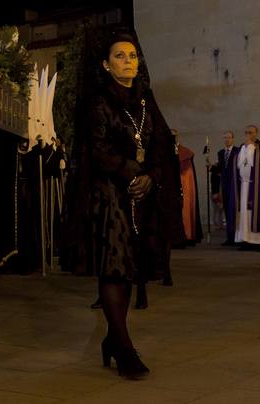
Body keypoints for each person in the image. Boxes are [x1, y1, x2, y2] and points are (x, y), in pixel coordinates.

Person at [77, 30, 178, 380]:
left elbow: (162, 145)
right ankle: (123, 347)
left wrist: (150, 175)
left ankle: (110, 337)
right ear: (106, 64)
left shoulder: (146, 100)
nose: (128, 61)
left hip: (142, 197)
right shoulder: (98, 101)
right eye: (120, 56)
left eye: (133, 56)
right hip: (109, 196)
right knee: (114, 267)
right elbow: (96, 147)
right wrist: (131, 172)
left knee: (132, 268)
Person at [222, 125, 260, 251]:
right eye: (246, 132)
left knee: (255, 213)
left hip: (257, 187)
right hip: (243, 186)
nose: (249, 134)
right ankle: (245, 240)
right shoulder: (241, 147)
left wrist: (251, 148)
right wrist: (246, 148)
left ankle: (257, 242)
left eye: (251, 132)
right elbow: (237, 165)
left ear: (256, 133)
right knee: (243, 214)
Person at [213, 130, 236, 245]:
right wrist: (211, 167)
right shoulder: (221, 153)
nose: (227, 140)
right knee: (227, 211)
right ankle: (229, 237)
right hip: (225, 186)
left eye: (229, 137)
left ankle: (237, 237)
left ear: (233, 139)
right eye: (225, 138)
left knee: (234, 212)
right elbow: (220, 169)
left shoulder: (237, 151)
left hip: (235, 186)